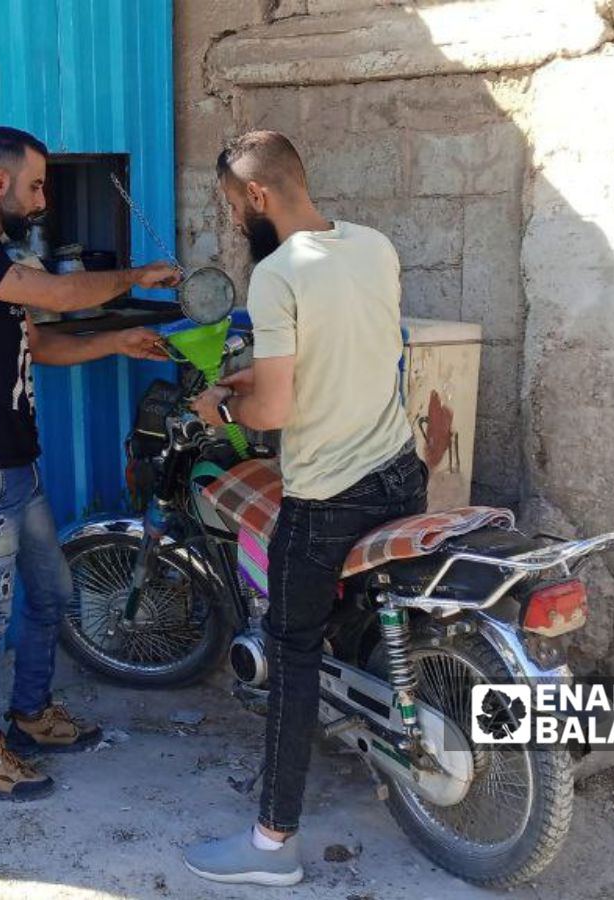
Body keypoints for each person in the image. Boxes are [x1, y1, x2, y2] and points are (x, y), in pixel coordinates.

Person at [183, 131, 429, 885]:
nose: (235, 221)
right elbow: (354, 351)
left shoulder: (276, 274)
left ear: (257, 197)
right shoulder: (373, 245)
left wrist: (219, 409)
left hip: (329, 498)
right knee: (365, 622)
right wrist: (250, 382)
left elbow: (278, 409)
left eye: (232, 206)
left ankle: (272, 846)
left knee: (292, 653)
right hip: (400, 473)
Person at [0, 126, 181, 802]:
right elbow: (57, 296)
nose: (41, 200)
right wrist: (133, 277)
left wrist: (118, 340)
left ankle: (30, 716)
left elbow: (39, 342)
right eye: (35, 185)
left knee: (54, 596)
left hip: (19, 468)